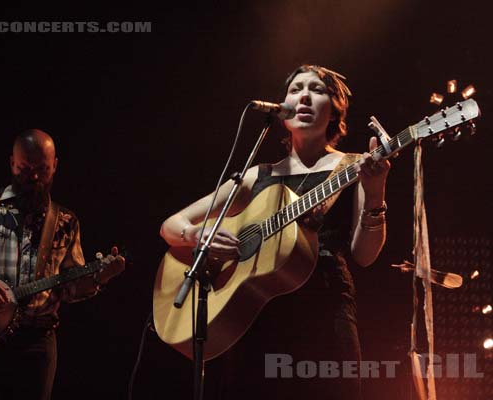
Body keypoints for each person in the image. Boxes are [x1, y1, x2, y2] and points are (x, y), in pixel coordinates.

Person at [159, 65, 390, 399]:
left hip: (324, 313)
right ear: (281, 111)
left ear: (334, 111)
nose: (304, 96)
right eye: (295, 90)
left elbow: (365, 256)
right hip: (257, 316)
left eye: (318, 89)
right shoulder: (257, 176)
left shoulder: (355, 166)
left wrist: (377, 189)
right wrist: (199, 236)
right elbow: (172, 225)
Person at [0, 129, 125, 400]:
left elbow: (69, 288)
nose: (33, 177)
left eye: (42, 169)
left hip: (35, 343)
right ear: (12, 163)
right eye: (24, 168)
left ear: (55, 165)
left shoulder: (65, 222)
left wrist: (99, 278)